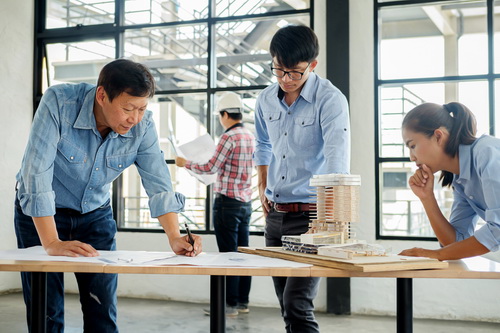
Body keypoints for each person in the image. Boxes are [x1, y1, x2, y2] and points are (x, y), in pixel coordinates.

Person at [14, 58, 202, 333]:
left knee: (101, 309)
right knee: (46, 312)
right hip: (40, 214)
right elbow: (35, 172)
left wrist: (174, 236)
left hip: (95, 214)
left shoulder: (142, 125)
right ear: (102, 95)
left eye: (142, 108)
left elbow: (158, 180)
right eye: (128, 108)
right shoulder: (59, 102)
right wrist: (52, 241)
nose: (135, 118)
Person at [253, 25, 351, 332]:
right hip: (275, 217)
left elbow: (338, 160)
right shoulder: (266, 99)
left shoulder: (330, 100)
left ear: (312, 65)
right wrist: (262, 182)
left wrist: (332, 221)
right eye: (278, 70)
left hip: (312, 218)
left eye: (294, 72)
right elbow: (263, 144)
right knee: (286, 305)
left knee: (297, 306)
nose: (285, 79)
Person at [175, 92, 255, 317]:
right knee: (242, 254)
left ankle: (229, 305)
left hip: (227, 204)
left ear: (226, 114)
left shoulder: (228, 138)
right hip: (245, 203)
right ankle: (241, 302)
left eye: (221, 116)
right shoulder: (249, 136)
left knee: (227, 255)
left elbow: (211, 167)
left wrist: (185, 163)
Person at [399, 102, 499, 260]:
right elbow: (455, 243)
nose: (412, 157)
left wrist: (435, 254)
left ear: (438, 136)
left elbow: (498, 230)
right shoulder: (461, 182)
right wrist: (427, 198)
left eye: (412, 146)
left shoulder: (487, 154)